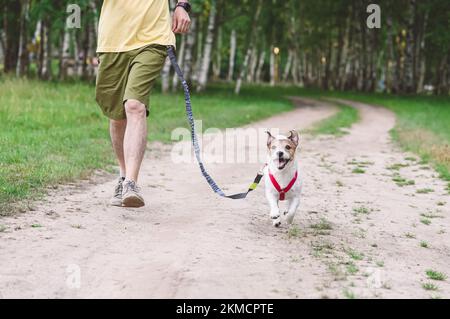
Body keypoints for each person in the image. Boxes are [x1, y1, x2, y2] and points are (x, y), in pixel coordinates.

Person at [95, 0, 191, 207]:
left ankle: (131, 182)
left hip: (153, 38)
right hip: (113, 41)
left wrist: (182, 5)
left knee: (134, 106)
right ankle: (123, 176)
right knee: (117, 116)